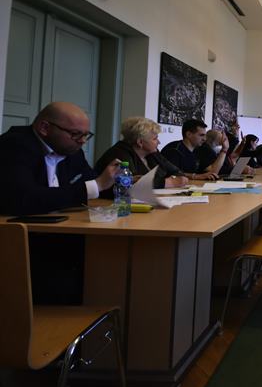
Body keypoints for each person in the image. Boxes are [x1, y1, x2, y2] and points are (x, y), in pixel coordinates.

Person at [0, 102, 120, 305]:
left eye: (86, 135)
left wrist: (122, 184)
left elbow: (92, 183)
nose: (82, 141)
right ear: (44, 127)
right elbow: (24, 199)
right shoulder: (13, 146)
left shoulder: (72, 151)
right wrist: (97, 185)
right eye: (75, 134)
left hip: (56, 234)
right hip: (20, 243)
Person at [95, 117, 188, 194]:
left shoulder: (153, 153)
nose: (159, 142)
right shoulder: (120, 154)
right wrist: (168, 182)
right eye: (155, 139)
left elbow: (176, 171)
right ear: (140, 142)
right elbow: (132, 183)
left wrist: (174, 179)